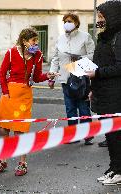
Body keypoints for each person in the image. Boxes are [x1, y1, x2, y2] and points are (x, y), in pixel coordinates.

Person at [0, 28, 56, 176]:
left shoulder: (37, 55)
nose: (36, 44)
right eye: (33, 41)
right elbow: (2, 74)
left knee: (20, 129)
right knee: (4, 128)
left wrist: (48, 75)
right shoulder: (12, 52)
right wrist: (5, 92)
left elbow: (37, 77)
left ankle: (22, 163)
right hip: (9, 93)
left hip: (25, 94)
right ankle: (2, 160)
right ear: (24, 41)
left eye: (36, 41)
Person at [86, 0, 121, 185]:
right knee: (109, 134)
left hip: (115, 96)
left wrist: (97, 73)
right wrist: (93, 89)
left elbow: (118, 67)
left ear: (112, 17)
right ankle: (114, 167)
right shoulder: (104, 37)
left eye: (102, 17)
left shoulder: (119, 37)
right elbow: (100, 63)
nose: (99, 20)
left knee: (116, 136)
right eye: (98, 16)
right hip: (103, 94)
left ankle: (119, 171)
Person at [49, 13, 95, 145]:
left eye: (69, 21)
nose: (66, 23)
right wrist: (52, 76)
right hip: (65, 78)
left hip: (81, 78)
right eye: (65, 21)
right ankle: (73, 135)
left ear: (76, 23)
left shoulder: (85, 36)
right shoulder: (60, 38)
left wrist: (80, 58)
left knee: (83, 107)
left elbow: (93, 54)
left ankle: (87, 135)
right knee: (70, 108)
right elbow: (56, 58)